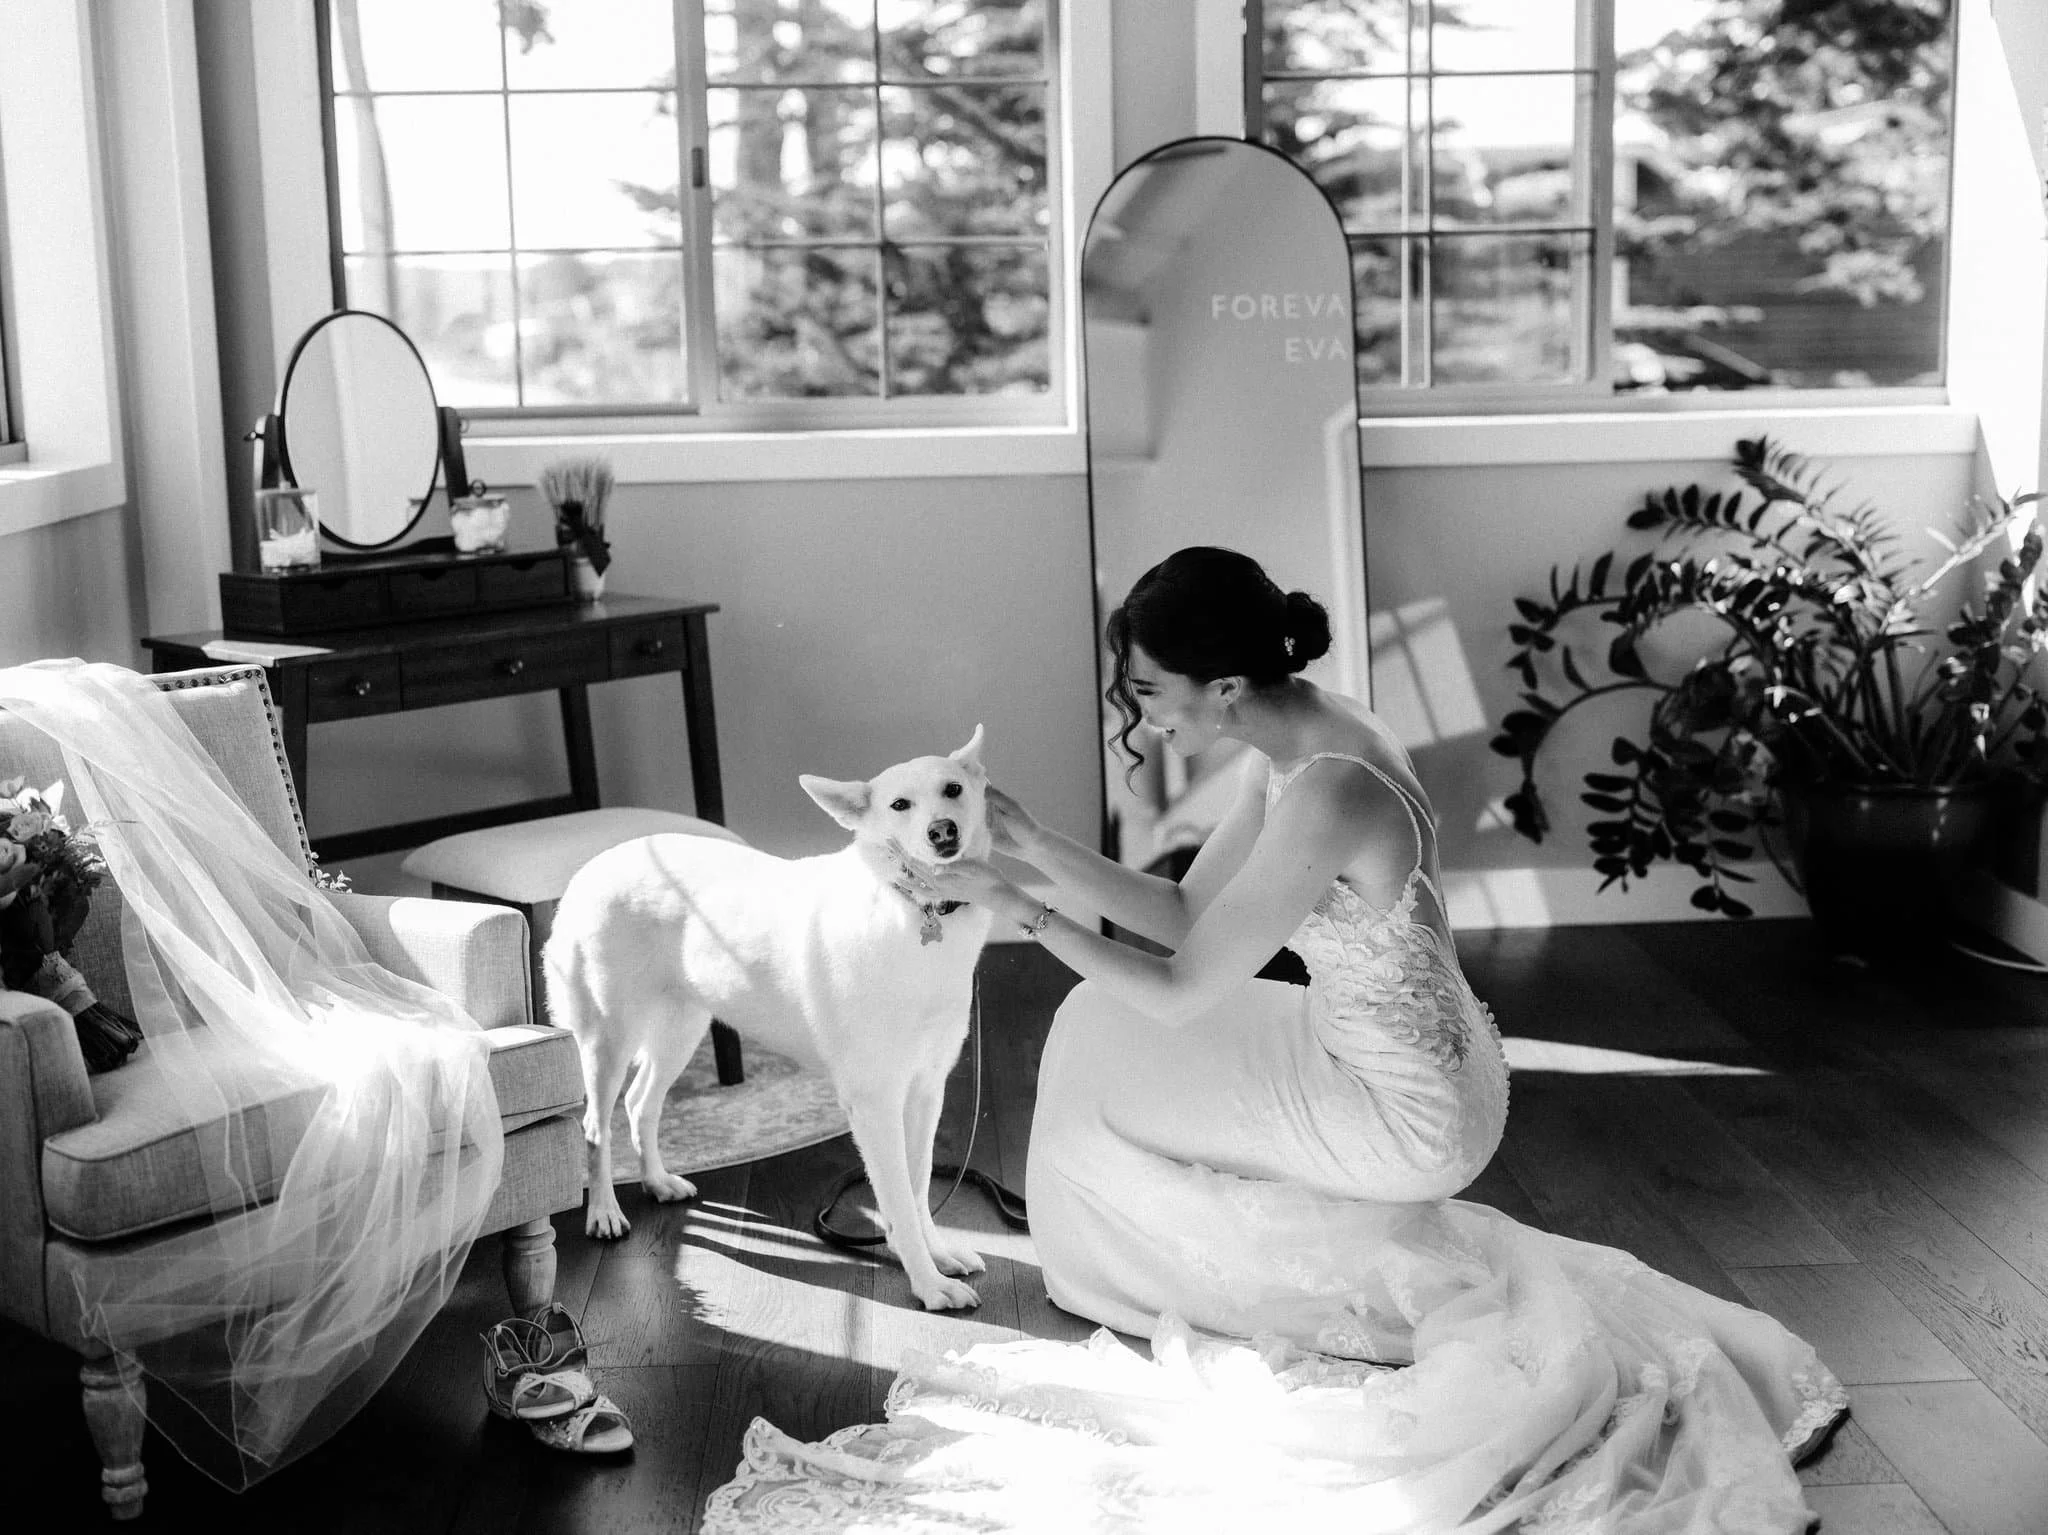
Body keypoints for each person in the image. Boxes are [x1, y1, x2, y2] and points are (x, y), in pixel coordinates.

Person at [702, 549, 1847, 1533]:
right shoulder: (1299, 742)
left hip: (1403, 1106)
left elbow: (1181, 988)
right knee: (1086, 1022)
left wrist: (1013, 900)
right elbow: (1180, 914)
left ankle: (1165, 1277)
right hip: (1397, 1040)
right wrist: (1034, 842)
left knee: (1108, 1027)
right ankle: (1142, 1262)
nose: (1141, 710)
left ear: (1227, 683)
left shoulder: (1328, 791)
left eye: (1152, 689)